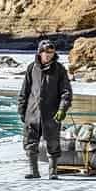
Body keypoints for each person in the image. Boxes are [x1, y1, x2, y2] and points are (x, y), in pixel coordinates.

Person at [17, 39, 73, 180]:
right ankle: (34, 171)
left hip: (52, 113)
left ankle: (53, 172)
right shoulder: (32, 68)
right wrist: (21, 110)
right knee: (30, 142)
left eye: (50, 52)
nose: (47, 55)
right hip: (32, 112)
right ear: (39, 53)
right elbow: (25, 91)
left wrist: (62, 109)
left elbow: (66, 92)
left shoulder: (59, 70)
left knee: (53, 142)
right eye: (45, 52)